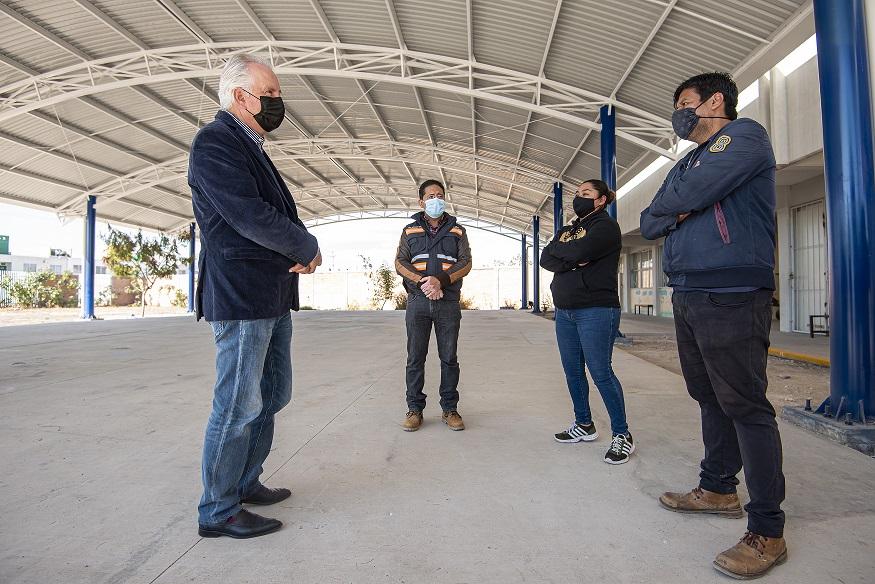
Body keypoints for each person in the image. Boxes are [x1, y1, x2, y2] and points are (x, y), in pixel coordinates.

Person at [640, 72, 786, 579]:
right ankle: (719, 488)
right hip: (688, 290)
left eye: (684, 103)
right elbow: (651, 220)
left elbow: (689, 196)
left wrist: (682, 203)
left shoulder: (745, 137)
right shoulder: (689, 160)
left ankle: (767, 529)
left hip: (732, 290)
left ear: (714, 101)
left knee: (745, 404)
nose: (679, 113)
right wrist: (680, 207)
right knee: (708, 396)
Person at [189, 54, 322, 539]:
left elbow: (276, 213)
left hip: (270, 293)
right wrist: (306, 246)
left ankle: (245, 481)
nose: (276, 102)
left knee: (272, 394)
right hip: (242, 297)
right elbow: (247, 216)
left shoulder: (252, 146)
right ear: (239, 96)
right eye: (268, 94)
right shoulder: (215, 143)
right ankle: (218, 509)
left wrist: (300, 252)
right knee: (237, 405)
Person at [540, 180, 633, 464]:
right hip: (565, 311)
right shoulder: (567, 230)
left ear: (601, 200)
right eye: (577, 193)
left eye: (586, 193)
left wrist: (568, 256)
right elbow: (546, 258)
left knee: (601, 372)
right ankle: (584, 424)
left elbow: (576, 253)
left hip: (596, 309)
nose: (579, 197)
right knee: (573, 372)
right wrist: (572, 259)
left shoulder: (605, 227)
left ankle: (622, 435)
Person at [395, 180, 472, 432]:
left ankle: (450, 409)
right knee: (415, 358)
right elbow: (400, 262)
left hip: (448, 302)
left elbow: (466, 263)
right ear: (421, 202)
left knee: (449, 358)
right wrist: (423, 282)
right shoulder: (409, 231)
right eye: (430, 196)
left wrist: (441, 281)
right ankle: (414, 409)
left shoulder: (457, 231)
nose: (435, 199)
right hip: (417, 301)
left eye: (439, 195)